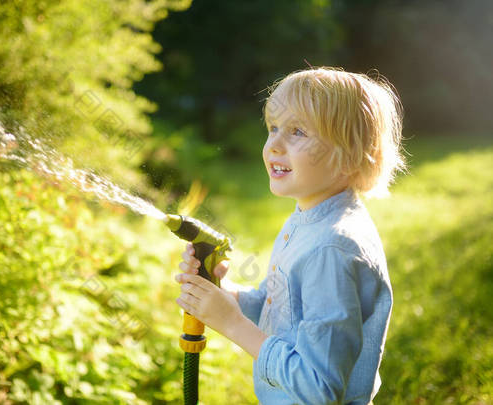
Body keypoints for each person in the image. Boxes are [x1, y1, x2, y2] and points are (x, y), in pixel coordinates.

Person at [174, 67, 407, 404]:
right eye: (273, 128)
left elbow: (318, 388)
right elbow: (286, 311)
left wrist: (233, 325)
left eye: (297, 131)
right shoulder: (307, 220)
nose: (274, 145)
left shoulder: (332, 249)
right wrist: (225, 295)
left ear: (349, 156)